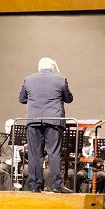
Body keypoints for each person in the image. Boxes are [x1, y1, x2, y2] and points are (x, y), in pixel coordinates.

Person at [19, 56, 73, 193]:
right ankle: (57, 185)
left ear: (39, 67)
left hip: (33, 121)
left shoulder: (28, 79)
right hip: (53, 120)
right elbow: (69, 99)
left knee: (34, 154)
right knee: (54, 153)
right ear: (52, 67)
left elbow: (22, 99)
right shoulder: (60, 79)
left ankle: (35, 186)